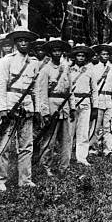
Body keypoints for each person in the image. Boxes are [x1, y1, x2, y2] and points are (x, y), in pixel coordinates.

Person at [0, 26, 42, 191]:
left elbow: (35, 89)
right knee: (5, 144)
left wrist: (35, 110)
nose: (23, 43)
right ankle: (0, 179)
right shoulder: (7, 61)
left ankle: (25, 179)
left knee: (27, 145)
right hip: (10, 105)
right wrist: (2, 107)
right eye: (20, 40)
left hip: (27, 107)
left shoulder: (34, 63)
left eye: (26, 41)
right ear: (15, 43)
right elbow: (1, 85)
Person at [36, 38, 73, 176]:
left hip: (65, 107)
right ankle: (46, 166)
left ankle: (64, 167)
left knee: (66, 140)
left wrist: (72, 107)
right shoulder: (45, 70)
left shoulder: (66, 68)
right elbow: (42, 92)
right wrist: (45, 112)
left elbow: (70, 90)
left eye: (59, 50)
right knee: (49, 139)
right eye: (54, 51)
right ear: (50, 53)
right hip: (52, 107)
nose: (57, 53)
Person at [68, 44, 97, 167]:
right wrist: (70, 106)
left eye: (83, 56)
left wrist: (95, 106)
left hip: (85, 103)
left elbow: (94, 90)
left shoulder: (90, 71)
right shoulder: (68, 70)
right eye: (78, 55)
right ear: (74, 57)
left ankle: (82, 157)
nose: (80, 58)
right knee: (69, 132)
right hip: (72, 102)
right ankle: (67, 157)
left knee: (83, 131)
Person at [90, 43, 112, 157]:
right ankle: (93, 148)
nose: (105, 56)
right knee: (95, 125)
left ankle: (108, 149)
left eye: (107, 54)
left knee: (109, 126)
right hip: (98, 98)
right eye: (103, 54)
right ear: (99, 55)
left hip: (109, 99)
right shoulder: (94, 69)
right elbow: (92, 87)